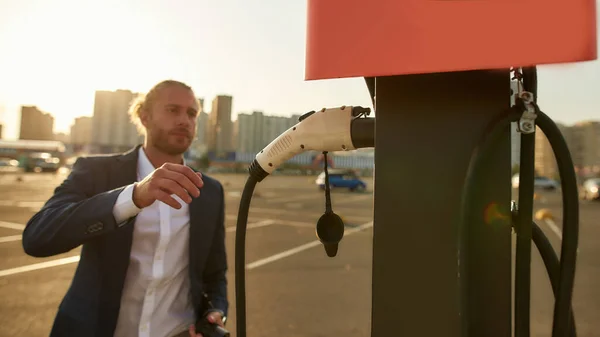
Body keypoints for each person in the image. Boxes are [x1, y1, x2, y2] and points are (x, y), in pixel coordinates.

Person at [22, 80, 228, 337]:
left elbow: (215, 272)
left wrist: (217, 309)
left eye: (191, 113)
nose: (184, 120)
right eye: (173, 110)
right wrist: (132, 197)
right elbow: (36, 238)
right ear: (144, 117)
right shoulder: (95, 171)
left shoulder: (209, 191)